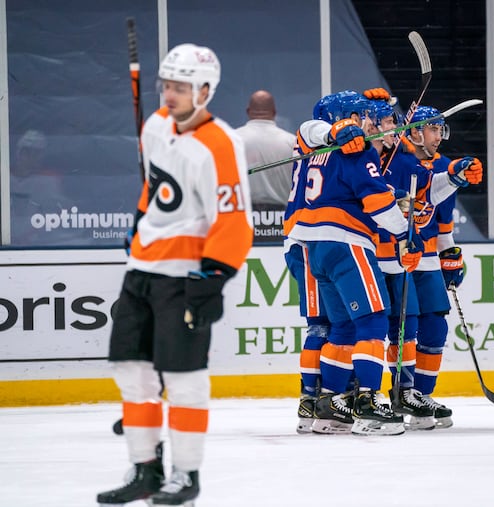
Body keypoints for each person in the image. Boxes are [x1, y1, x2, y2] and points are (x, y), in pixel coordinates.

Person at [96, 43, 253, 505]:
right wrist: (138, 223)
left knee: (183, 378)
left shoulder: (222, 143)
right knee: (132, 371)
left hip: (184, 276)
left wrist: (215, 275)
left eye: (180, 87)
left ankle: (185, 475)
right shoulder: (154, 126)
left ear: (205, 90)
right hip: (141, 270)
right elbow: (155, 186)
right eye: (166, 85)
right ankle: (145, 469)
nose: (170, 94)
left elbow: (234, 219)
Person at [287, 91, 425, 436]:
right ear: (346, 117)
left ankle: (330, 406)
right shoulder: (356, 147)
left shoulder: (310, 149)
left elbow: (306, 129)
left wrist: (334, 133)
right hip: (347, 242)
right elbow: (377, 202)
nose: (368, 121)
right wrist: (407, 234)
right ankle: (368, 402)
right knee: (373, 322)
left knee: (342, 328)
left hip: (314, 247)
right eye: (362, 114)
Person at [381, 105, 482, 429]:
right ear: (414, 132)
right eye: (434, 129)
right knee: (401, 329)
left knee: (435, 326)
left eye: (441, 130)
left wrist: (450, 253)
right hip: (393, 259)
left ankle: (421, 395)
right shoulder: (394, 161)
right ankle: (399, 392)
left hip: (425, 258)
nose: (439, 136)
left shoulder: (441, 168)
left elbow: (441, 223)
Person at [236, 89, 296, 209]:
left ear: (248, 111)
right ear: (274, 112)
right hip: (282, 219)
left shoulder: (232, 140)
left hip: (243, 217)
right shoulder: (292, 142)